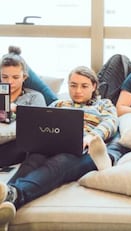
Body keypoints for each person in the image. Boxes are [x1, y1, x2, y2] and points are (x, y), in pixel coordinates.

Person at [0, 66, 120, 230]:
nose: (77, 90)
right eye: (73, 85)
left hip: (84, 148)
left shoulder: (104, 104)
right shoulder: (59, 103)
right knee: (34, 159)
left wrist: (91, 136)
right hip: (52, 144)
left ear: (93, 86)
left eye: (84, 86)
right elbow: (39, 121)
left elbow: (111, 123)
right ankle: (5, 199)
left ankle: (15, 194)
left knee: (59, 163)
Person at [0, 46, 47, 167]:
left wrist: (16, 108)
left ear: (24, 77)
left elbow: (40, 123)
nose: (10, 82)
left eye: (15, 77)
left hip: (14, 145)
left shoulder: (34, 97)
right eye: (5, 77)